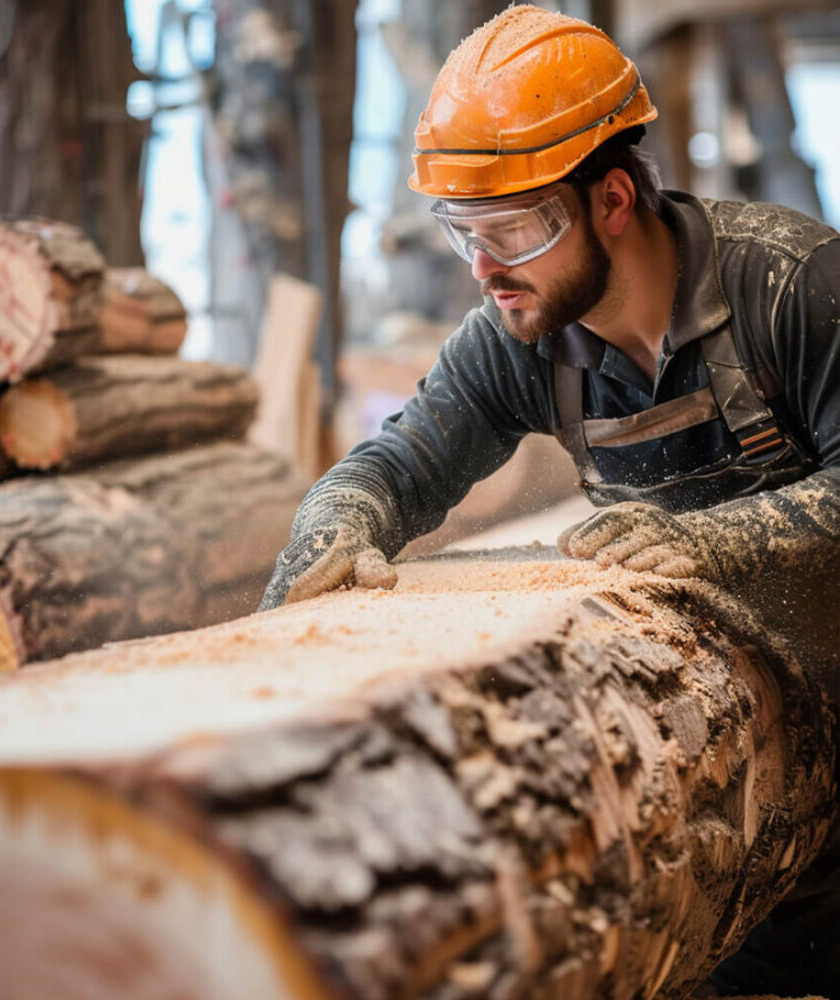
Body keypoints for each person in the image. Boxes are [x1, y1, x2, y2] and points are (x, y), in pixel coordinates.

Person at [260, 7, 839, 994]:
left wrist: (710, 542)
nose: (484, 270)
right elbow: (391, 469)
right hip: (732, 777)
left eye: (514, 231)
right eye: (461, 234)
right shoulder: (521, 336)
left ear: (613, 198)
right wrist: (338, 524)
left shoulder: (797, 284)